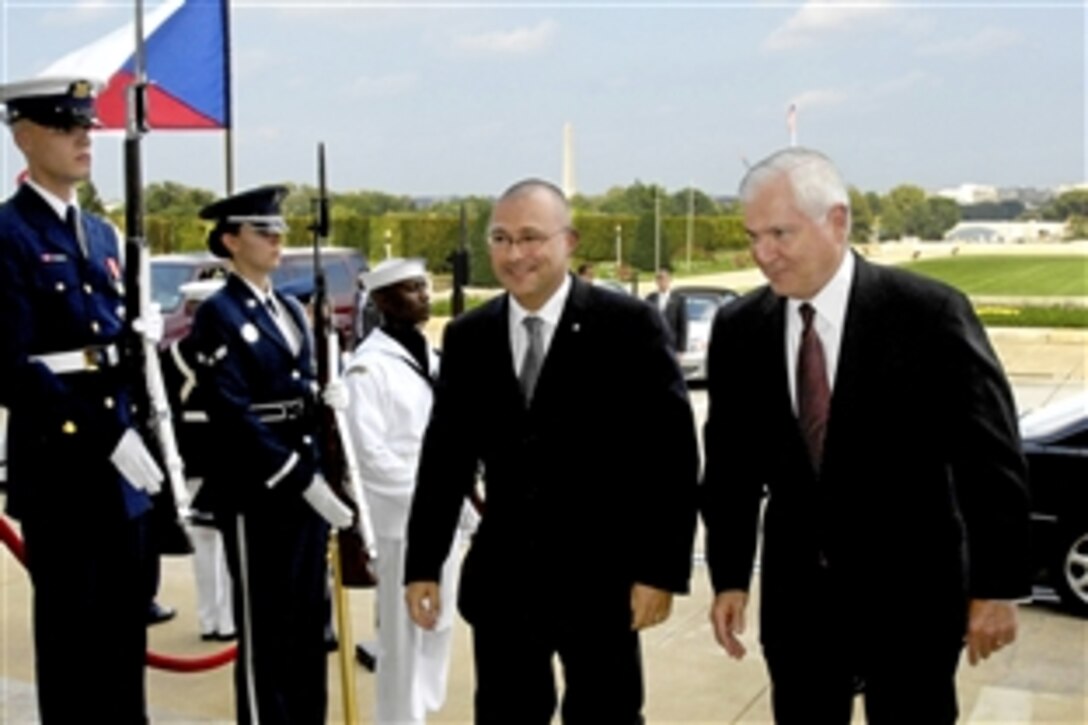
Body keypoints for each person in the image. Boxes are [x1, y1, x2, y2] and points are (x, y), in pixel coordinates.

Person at [700, 147, 1032, 724]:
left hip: (912, 601)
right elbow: (730, 466)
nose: (762, 255)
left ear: (836, 221)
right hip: (798, 605)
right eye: (753, 236)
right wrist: (730, 576)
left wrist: (996, 586)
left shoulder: (929, 314)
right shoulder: (739, 328)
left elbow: (990, 459)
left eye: (780, 233)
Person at [404, 179, 699, 723]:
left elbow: (672, 459)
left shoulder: (628, 327)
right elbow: (445, 458)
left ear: (570, 241)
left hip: (603, 586)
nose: (515, 254)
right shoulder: (471, 338)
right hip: (505, 587)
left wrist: (659, 570)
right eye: (501, 238)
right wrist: (421, 562)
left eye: (531, 237)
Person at [0, 77, 164, 723]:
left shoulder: (100, 234)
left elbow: (112, 347)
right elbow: (9, 367)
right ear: (24, 135)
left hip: (123, 470)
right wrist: (102, 431)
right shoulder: (8, 234)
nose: (83, 137)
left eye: (88, 126)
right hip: (62, 467)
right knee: (73, 648)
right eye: (67, 125)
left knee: (124, 643)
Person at [187, 185, 353, 724]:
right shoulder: (221, 312)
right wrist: (298, 476)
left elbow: (297, 386)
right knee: (268, 631)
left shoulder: (287, 308)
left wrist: (323, 402)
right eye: (264, 231)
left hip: (305, 485)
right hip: (259, 488)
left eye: (281, 230)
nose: (278, 240)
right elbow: (231, 410)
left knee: (308, 625)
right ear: (231, 240)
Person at [339, 257, 475, 723]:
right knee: (402, 635)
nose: (423, 296)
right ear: (381, 301)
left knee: (439, 626)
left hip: (443, 517)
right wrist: (431, 498)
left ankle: (422, 712)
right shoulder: (368, 368)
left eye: (423, 286)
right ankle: (398, 718)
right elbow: (370, 456)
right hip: (400, 521)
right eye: (409, 289)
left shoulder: (430, 356)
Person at [160, 278, 236, 642]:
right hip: (223, 450)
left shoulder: (170, 355)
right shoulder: (231, 349)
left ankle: (210, 619)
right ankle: (227, 619)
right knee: (225, 542)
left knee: (204, 546)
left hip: (188, 454)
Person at [645, 267, 687, 354]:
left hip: (671, 345)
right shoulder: (650, 298)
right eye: (660, 279)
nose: (662, 282)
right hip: (654, 344)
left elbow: (683, 325)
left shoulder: (678, 300)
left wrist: (681, 349)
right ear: (656, 281)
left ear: (670, 280)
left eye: (665, 279)